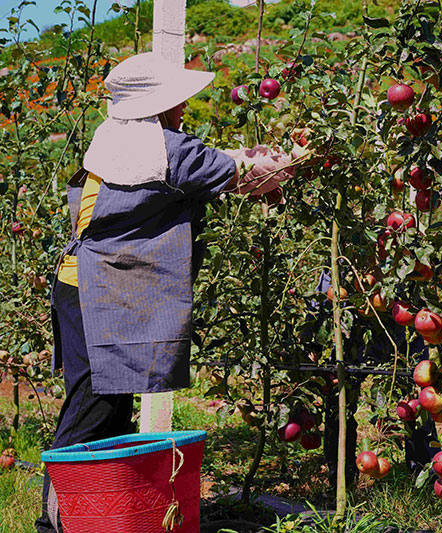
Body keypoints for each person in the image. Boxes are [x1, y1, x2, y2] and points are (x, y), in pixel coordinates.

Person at [36, 52, 296, 533]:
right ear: (160, 106)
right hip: (99, 292)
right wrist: (304, 155)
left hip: (81, 285)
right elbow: (243, 175)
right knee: (90, 415)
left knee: (107, 410)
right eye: (178, 101)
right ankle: (56, 524)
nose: (184, 109)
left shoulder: (118, 137)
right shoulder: (170, 151)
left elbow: (208, 166)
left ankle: (100, 517)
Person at [305, 270, 438, 486]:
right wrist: (313, 345)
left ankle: (425, 475)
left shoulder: (403, 251)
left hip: (402, 336)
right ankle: (340, 476)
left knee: (417, 404)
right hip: (351, 336)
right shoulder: (344, 254)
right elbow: (326, 293)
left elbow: (421, 291)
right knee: (338, 402)